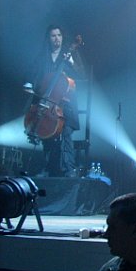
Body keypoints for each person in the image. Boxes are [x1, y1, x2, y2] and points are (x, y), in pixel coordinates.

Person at [25, 25, 85, 177]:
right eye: (53, 36)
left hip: (65, 104)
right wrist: (29, 83)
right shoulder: (43, 56)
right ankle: (48, 169)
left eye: (59, 35)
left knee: (66, 135)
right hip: (47, 101)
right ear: (49, 38)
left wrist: (71, 62)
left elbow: (81, 74)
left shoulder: (70, 53)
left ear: (62, 37)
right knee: (46, 133)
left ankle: (68, 169)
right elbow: (32, 71)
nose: (57, 38)